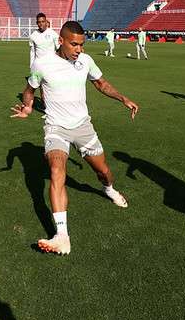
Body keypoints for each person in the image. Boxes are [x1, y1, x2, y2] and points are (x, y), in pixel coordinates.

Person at [10, 21, 139, 255]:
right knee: (57, 171)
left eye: (82, 44)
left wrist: (122, 98)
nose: (79, 49)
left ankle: (108, 189)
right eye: (74, 44)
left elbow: (100, 83)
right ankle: (62, 236)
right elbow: (30, 89)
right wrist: (28, 108)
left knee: (103, 172)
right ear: (61, 41)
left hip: (83, 127)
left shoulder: (85, 61)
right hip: (55, 127)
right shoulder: (42, 64)